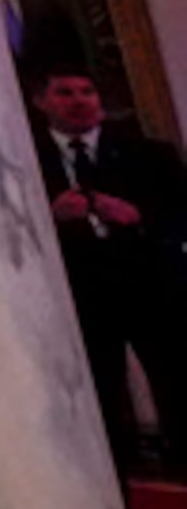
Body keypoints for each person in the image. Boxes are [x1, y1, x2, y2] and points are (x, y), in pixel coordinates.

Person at [26, 61, 187, 478]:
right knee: (100, 404)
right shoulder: (25, 163)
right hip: (79, 301)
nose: (79, 102)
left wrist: (137, 217)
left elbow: (178, 216)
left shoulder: (150, 154)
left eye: (87, 92)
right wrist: (49, 216)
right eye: (65, 93)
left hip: (152, 293)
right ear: (41, 101)